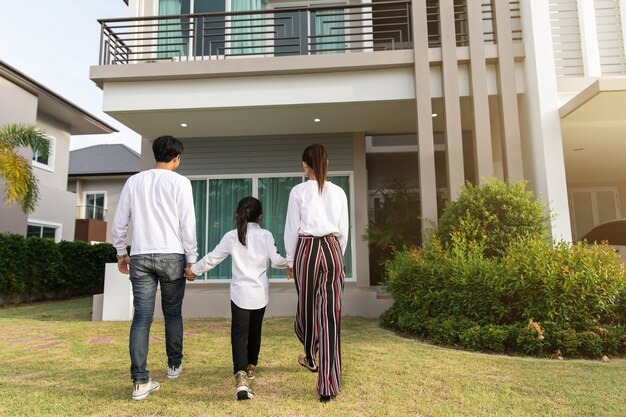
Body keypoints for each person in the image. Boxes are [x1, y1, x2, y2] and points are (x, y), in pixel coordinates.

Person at [111, 135, 198, 401]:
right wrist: (191, 258)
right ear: (176, 158)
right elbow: (187, 224)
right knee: (172, 314)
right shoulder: (181, 182)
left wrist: (120, 252)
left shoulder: (134, 181)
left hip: (140, 255)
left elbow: (120, 221)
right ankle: (174, 365)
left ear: (154, 154)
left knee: (141, 318)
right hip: (172, 254)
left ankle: (140, 382)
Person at [184, 196, 289, 401]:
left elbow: (213, 258)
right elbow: (276, 261)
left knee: (239, 334)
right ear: (260, 216)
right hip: (260, 294)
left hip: (240, 294)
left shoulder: (232, 236)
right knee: (255, 331)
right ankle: (250, 367)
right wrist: (291, 262)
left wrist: (193, 270)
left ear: (239, 215)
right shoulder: (265, 235)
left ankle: (240, 377)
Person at [283, 144, 349, 403]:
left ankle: (311, 355)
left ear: (304, 165)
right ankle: (328, 385)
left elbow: (291, 228)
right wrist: (337, 256)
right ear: (327, 163)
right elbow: (343, 230)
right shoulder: (340, 192)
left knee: (307, 307)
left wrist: (290, 260)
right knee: (330, 316)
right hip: (332, 249)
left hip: (307, 249)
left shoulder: (298, 191)